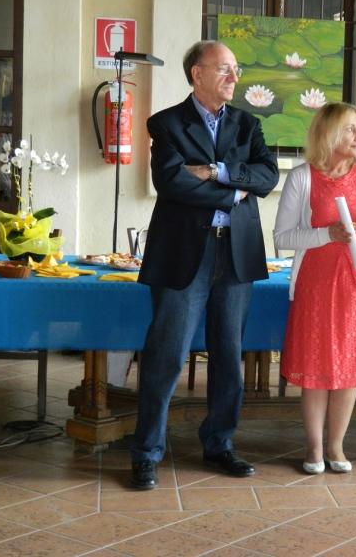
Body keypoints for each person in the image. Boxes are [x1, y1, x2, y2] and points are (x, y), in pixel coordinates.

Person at [130, 40, 279, 490]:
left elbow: (267, 177)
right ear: (197, 73)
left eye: (236, 69)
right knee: (166, 356)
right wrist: (235, 191)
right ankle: (147, 453)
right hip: (183, 255)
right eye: (225, 69)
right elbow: (172, 183)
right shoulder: (167, 123)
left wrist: (216, 172)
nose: (235, 77)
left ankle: (219, 444)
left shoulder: (248, 124)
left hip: (235, 254)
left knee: (229, 356)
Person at [274, 102, 356, 474]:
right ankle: (314, 448)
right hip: (317, 283)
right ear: (328, 133)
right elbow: (282, 236)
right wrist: (327, 234)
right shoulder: (302, 177)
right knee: (316, 364)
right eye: (349, 129)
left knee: (350, 364)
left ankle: (336, 446)